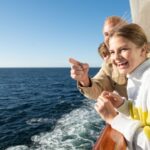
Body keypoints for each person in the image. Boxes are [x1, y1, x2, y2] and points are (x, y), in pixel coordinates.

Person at [95, 23, 150, 149]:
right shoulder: (134, 76)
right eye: (112, 52)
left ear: (144, 50)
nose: (116, 57)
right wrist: (122, 105)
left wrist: (114, 119)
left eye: (123, 49)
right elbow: (144, 114)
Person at [69, 16, 128, 100]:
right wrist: (84, 80)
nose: (110, 38)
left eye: (115, 32)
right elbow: (98, 90)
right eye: (106, 34)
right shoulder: (109, 66)